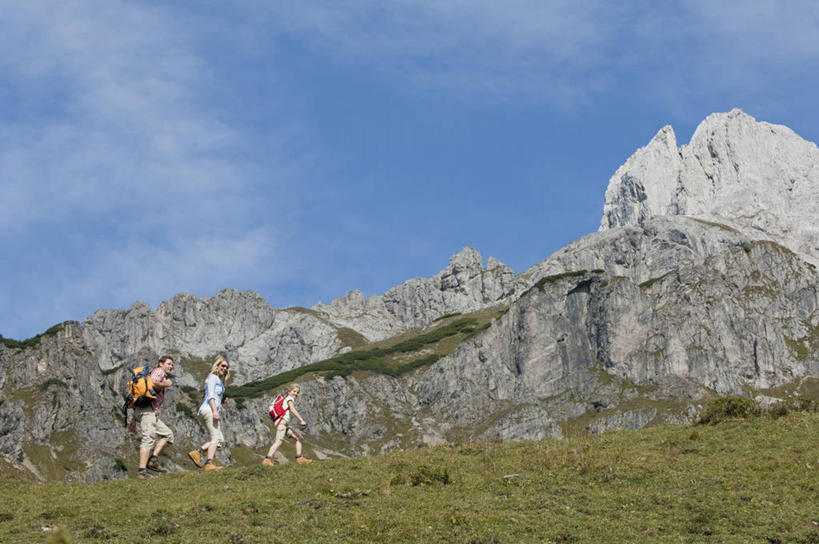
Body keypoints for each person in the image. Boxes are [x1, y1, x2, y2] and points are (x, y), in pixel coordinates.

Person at [134, 355, 175, 479]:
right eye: (169, 364)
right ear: (160, 364)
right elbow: (152, 383)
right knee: (149, 438)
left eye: (172, 365)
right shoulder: (158, 372)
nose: (171, 366)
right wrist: (166, 384)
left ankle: (153, 460)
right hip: (147, 411)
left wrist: (132, 421)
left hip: (148, 412)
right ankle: (141, 471)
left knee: (168, 435)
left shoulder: (156, 372)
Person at [188, 356, 230, 471]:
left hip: (209, 410)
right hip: (209, 410)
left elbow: (214, 395)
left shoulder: (219, 382)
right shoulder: (213, 377)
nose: (225, 368)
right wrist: (215, 411)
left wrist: (222, 399)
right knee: (215, 437)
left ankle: (198, 452)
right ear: (217, 366)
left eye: (227, 367)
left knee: (219, 440)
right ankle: (208, 463)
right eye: (223, 366)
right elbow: (211, 395)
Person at [262, 383, 312, 466]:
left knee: (299, 438)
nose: (295, 393)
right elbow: (292, 409)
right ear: (289, 391)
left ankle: (300, 458)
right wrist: (301, 420)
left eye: (297, 392)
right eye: (294, 391)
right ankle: (267, 459)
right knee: (279, 441)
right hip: (282, 423)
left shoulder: (286, 398)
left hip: (284, 424)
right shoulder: (289, 398)